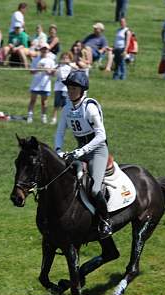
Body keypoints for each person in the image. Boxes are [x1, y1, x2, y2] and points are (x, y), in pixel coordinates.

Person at [54, 70, 113, 238]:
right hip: (80, 150)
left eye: (74, 88)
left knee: (94, 189)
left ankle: (105, 221)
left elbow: (102, 135)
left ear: (82, 90)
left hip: (97, 151)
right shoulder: (67, 108)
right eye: (69, 88)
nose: (70, 91)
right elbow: (59, 133)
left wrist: (82, 151)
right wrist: (58, 150)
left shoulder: (90, 108)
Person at [27, 43, 56, 124]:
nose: (44, 50)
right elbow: (31, 71)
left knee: (44, 102)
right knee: (33, 100)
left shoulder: (51, 61)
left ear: (48, 50)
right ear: (40, 50)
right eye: (43, 49)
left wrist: (48, 71)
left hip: (45, 84)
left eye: (46, 49)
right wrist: (37, 69)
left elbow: (53, 73)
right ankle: (30, 116)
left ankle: (44, 116)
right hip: (36, 83)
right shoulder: (36, 59)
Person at [51, 51, 74, 124]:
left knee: (64, 105)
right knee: (56, 104)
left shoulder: (70, 67)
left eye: (66, 58)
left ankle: (64, 120)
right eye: (63, 58)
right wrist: (57, 67)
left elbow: (74, 72)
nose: (65, 59)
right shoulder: (58, 66)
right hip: (58, 87)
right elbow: (53, 73)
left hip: (66, 88)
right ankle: (53, 118)